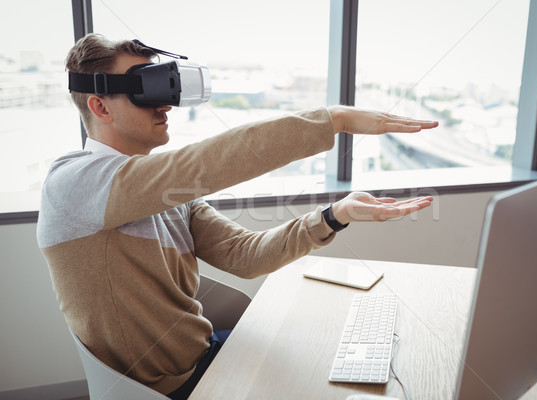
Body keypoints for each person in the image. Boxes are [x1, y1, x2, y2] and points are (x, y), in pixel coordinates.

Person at [36, 33, 438, 399]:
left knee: (339, 354)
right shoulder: (72, 185)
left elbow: (245, 255)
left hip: (208, 351)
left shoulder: (164, 192)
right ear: (99, 105)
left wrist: (335, 215)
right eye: (145, 89)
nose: (165, 104)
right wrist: (332, 121)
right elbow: (202, 164)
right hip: (174, 386)